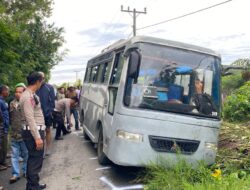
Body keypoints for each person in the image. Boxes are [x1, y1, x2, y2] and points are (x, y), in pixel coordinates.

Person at [20, 72, 46, 190]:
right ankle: (32, 187)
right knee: (35, 160)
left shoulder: (30, 94)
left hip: (34, 131)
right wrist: (37, 137)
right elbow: (30, 118)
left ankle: (33, 185)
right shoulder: (27, 97)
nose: (42, 82)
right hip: (32, 132)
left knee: (34, 159)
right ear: (37, 81)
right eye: (42, 80)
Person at [9, 83, 28, 184]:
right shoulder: (11, 103)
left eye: (20, 92)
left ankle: (25, 171)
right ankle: (15, 174)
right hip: (14, 134)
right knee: (14, 155)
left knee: (26, 154)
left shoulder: (27, 103)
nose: (17, 94)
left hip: (25, 133)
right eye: (16, 92)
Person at [36, 72, 55, 155]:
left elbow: (52, 101)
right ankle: (41, 149)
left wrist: (50, 111)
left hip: (47, 114)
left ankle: (48, 148)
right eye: (40, 78)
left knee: (47, 130)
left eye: (42, 78)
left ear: (44, 78)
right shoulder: (34, 87)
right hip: (36, 114)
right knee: (39, 131)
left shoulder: (49, 87)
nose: (41, 79)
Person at [0, 85, 10, 170]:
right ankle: (1, 164)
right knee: (2, 146)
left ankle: (3, 162)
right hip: (2, 128)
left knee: (4, 146)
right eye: (7, 90)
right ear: (3, 91)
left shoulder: (3, 101)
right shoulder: (0, 101)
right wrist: (3, 125)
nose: (8, 92)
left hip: (5, 127)